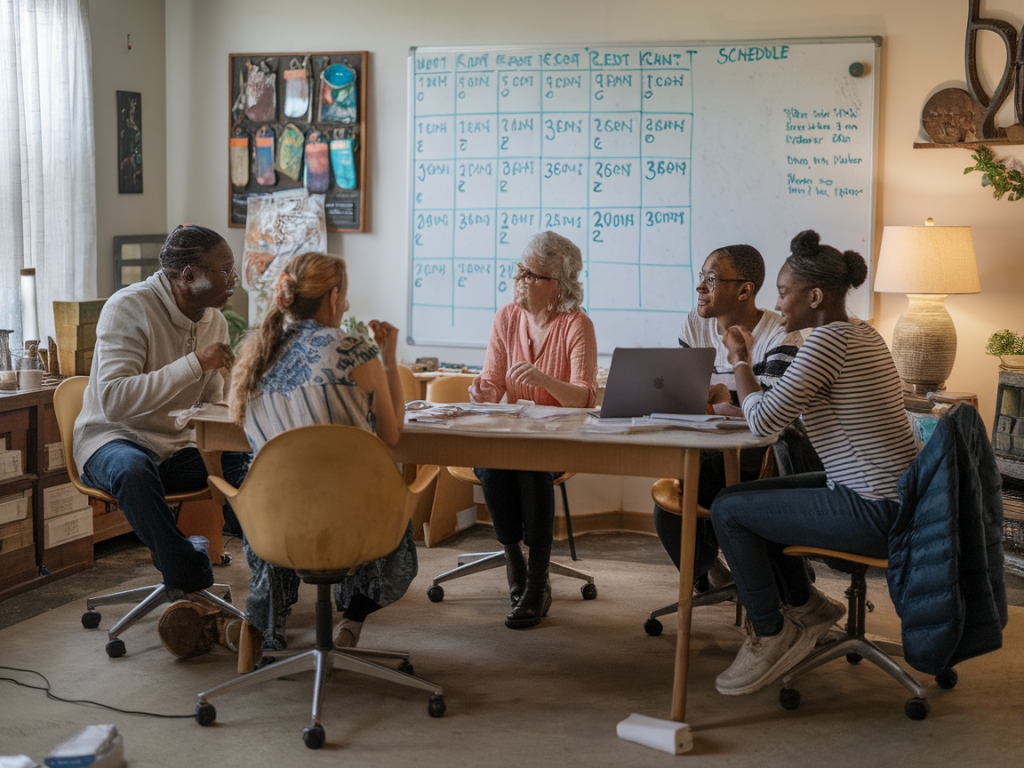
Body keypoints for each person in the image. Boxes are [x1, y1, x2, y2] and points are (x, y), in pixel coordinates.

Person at [710, 230, 918, 696]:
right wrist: (741, 402)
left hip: (872, 509)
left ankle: (770, 631)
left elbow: (763, 423)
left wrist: (741, 359)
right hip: (890, 496)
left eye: (784, 293)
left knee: (727, 510)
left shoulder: (826, 343)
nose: (778, 304)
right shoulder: (861, 332)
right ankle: (809, 608)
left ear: (815, 296)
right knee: (742, 500)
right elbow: (777, 408)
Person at [74, 224, 249, 657]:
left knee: (253, 466)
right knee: (135, 472)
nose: (233, 282)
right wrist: (194, 363)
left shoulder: (215, 323)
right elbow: (113, 400)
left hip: (176, 445)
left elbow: (209, 403)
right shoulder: (127, 308)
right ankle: (189, 573)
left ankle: (281, 572)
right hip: (112, 438)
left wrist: (233, 420)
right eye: (225, 272)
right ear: (188, 276)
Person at [229, 251, 415, 651]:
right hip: (352, 520)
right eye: (344, 297)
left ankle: (269, 631)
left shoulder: (254, 359)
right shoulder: (352, 350)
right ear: (333, 297)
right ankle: (352, 622)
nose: (345, 304)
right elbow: (392, 433)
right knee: (393, 504)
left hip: (275, 525)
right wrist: (388, 356)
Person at [653, 245, 802, 590]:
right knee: (673, 497)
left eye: (711, 279)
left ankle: (770, 579)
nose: (700, 288)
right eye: (701, 278)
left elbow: (770, 412)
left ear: (744, 290)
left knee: (684, 492)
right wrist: (720, 398)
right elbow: (688, 395)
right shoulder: (695, 324)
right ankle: (713, 574)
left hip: (760, 455)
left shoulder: (782, 334)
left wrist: (724, 392)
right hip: (705, 444)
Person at [469, 231, 598, 629]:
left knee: (532, 469)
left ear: (556, 286)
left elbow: (584, 398)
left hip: (558, 441)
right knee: (491, 467)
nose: (518, 280)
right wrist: (481, 391)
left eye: (530, 274)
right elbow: (492, 384)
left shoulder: (577, 324)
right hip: (513, 435)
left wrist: (543, 380)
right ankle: (516, 568)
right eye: (519, 270)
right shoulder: (506, 317)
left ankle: (538, 582)